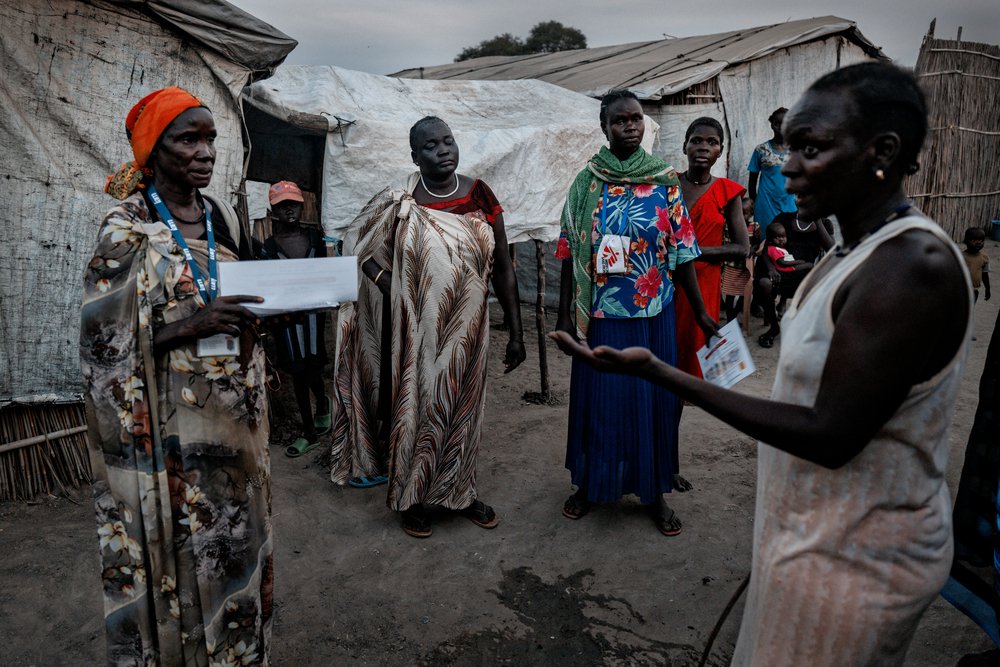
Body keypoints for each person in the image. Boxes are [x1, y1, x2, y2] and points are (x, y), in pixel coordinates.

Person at [551, 62, 972, 665]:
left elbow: (828, 434)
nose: (787, 165)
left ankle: (650, 486)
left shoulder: (910, 269)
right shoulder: (850, 252)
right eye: (788, 146)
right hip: (812, 539)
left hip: (858, 559)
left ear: (883, 151)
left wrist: (662, 372)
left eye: (811, 147)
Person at [82, 88, 273, 665]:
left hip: (236, 419)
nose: (205, 151)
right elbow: (101, 346)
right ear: (152, 149)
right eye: (187, 138)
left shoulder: (217, 214)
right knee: (190, 548)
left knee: (236, 539)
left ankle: (237, 652)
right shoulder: (126, 228)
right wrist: (188, 326)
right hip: (171, 434)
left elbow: (227, 293)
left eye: (210, 138)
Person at [330, 116, 525, 538]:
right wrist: (395, 287)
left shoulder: (479, 194)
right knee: (415, 407)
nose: (443, 150)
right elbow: (358, 246)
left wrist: (517, 329)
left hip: (470, 330)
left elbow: (504, 264)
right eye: (431, 145)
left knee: (464, 410)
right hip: (416, 333)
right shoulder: (400, 200)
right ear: (414, 156)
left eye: (448, 141)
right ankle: (410, 497)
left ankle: (460, 492)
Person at [553, 90, 718, 537]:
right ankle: (591, 484)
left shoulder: (664, 181)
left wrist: (701, 313)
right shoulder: (586, 182)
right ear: (604, 127)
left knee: (653, 402)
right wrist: (565, 315)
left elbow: (683, 253)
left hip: (652, 315)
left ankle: (654, 491)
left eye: (636, 119)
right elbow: (569, 251)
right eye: (620, 121)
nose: (630, 127)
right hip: (602, 315)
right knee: (602, 401)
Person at [259, 180, 331, 457]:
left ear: (302, 207)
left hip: (314, 317)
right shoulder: (269, 245)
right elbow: (267, 283)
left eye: (293, 204)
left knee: (313, 368)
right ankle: (309, 432)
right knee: (298, 373)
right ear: (273, 212)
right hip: (287, 320)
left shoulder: (316, 238)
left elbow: (325, 272)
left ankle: (323, 404)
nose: (289, 210)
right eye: (282, 206)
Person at [673, 117, 749, 376]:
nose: (703, 147)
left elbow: (742, 248)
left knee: (691, 353)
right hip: (665, 281)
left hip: (704, 282)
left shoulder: (727, 191)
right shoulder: (666, 184)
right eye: (696, 141)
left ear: (720, 150)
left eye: (711, 142)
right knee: (663, 349)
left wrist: (690, 252)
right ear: (685, 147)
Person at [747, 107, 797, 233]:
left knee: (788, 238)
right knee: (766, 238)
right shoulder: (761, 150)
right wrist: (755, 203)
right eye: (779, 123)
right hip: (766, 204)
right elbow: (752, 181)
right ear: (774, 125)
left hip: (790, 203)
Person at [722, 196, 760, 324]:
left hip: (746, 266)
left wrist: (753, 249)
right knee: (730, 293)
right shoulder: (728, 225)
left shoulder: (754, 227)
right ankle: (730, 318)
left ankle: (735, 313)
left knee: (745, 292)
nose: (742, 216)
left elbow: (756, 243)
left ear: (751, 214)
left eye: (745, 213)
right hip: (731, 265)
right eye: (739, 212)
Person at [963, 226, 991, 303]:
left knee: (969, 311)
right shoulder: (960, 256)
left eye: (981, 240)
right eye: (973, 240)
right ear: (966, 241)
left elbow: (985, 275)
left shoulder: (984, 258)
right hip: (960, 290)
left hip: (974, 291)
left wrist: (987, 288)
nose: (978, 243)